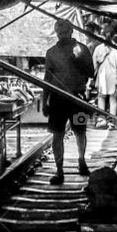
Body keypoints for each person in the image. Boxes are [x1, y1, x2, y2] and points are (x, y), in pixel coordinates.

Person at [41, 19, 94, 183]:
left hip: (78, 98)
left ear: (71, 31)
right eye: (59, 33)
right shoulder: (51, 53)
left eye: (64, 32)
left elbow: (91, 73)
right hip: (57, 100)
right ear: (56, 33)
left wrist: (79, 61)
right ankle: (59, 171)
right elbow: (47, 79)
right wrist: (44, 101)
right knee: (57, 134)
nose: (62, 36)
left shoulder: (82, 49)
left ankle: (81, 160)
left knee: (80, 131)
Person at [93, 22, 117, 123]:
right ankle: (112, 122)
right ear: (114, 35)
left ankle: (102, 120)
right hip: (115, 74)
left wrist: (92, 76)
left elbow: (94, 65)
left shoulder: (98, 49)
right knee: (113, 98)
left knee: (101, 97)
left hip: (102, 75)